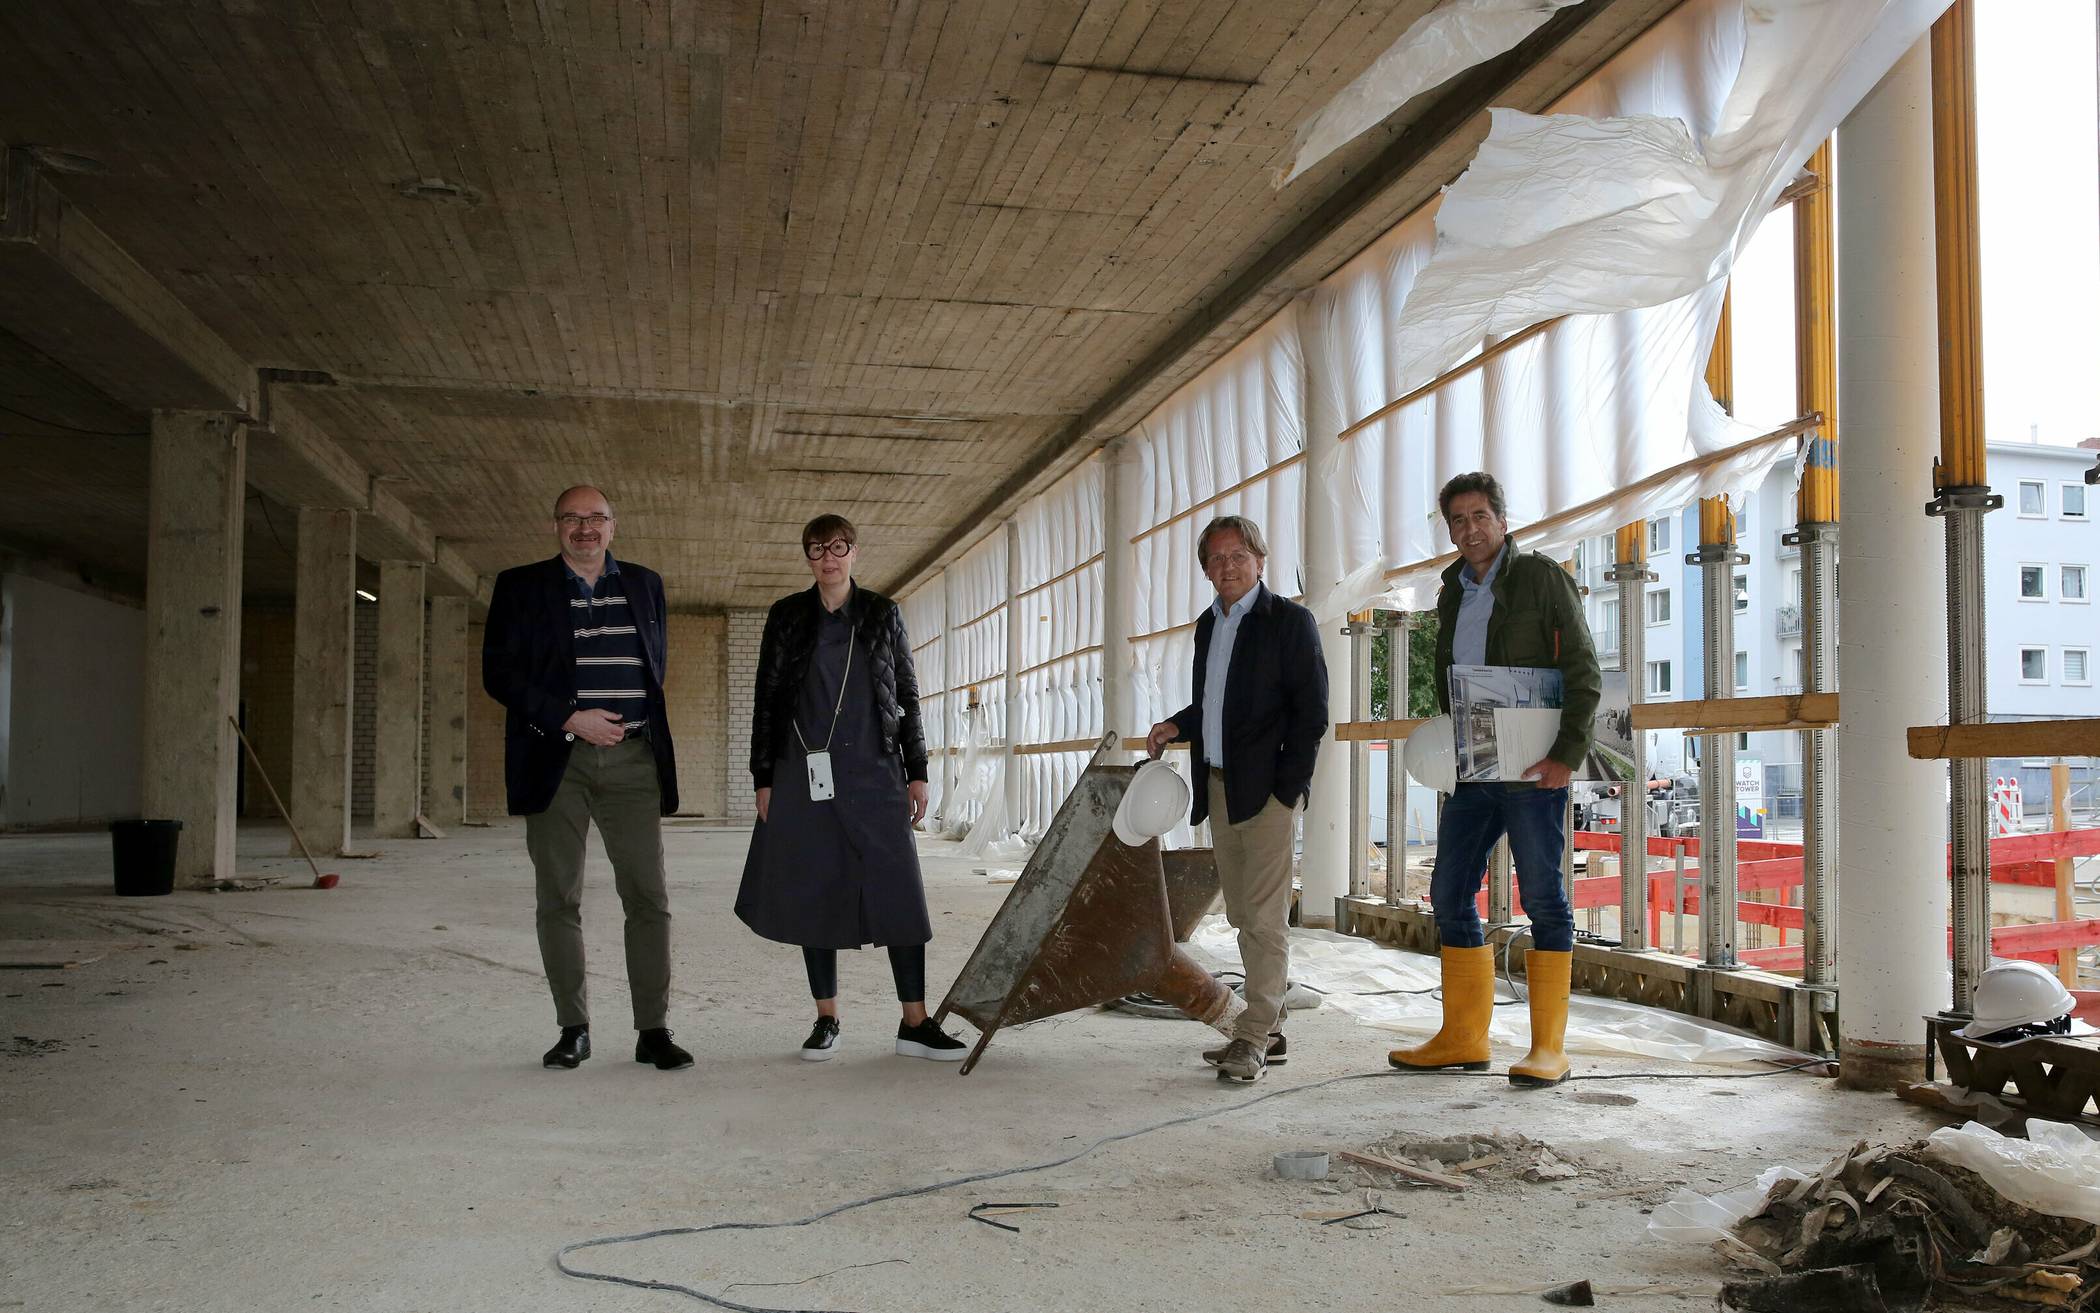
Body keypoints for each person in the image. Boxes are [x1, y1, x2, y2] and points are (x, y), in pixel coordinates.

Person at [1389, 472, 1601, 1087]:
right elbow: (1449, 677)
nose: (1469, 529)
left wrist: (1567, 752)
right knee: (1449, 891)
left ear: (1503, 521)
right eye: (1458, 520)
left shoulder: (1540, 578)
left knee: (1542, 897)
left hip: (1535, 765)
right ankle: (1463, 1036)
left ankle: (1548, 1049)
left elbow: (1583, 666)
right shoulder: (1451, 593)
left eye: (1480, 516)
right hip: (1475, 764)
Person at [735, 514, 967, 1063]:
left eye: (838, 547)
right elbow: (766, 699)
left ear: (855, 553)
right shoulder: (787, 616)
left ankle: (914, 1022)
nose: (829, 558)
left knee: (899, 889)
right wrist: (763, 777)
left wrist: (917, 769)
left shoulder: (883, 614)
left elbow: (906, 694)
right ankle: (826, 1017)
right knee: (815, 886)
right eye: (818, 549)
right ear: (808, 558)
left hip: (874, 769)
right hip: (803, 770)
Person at [481, 485, 691, 1072]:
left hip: (634, 761)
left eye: (595, 518)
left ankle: (653, 1030)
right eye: (572, 518)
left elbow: (653, 668)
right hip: (557, 759)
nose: (584, 528)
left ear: (612, 526)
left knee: (649, 898)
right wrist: (570, 717)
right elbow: (499, 674)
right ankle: (573, 1028)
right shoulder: (520, 586)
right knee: (559, 897)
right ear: (556, 526)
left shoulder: (646, 584)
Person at [1144, 515, 1328, 1084]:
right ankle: (1268, 1033)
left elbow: (1312, 713)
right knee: (1243, 913)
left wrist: (1287, 787)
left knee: (1265, 920)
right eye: (1216, 559)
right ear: (1206, 569)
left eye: (1237, 555)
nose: (1227, 566)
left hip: (1267, 792)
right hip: (1220, 785)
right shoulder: (1210, 625)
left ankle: (1251, 1037)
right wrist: (1177, 725)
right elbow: (1215, 707)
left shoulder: (1289, 623)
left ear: (1260, 560)